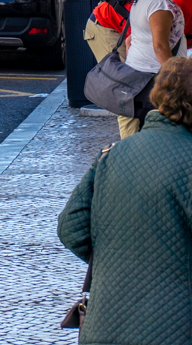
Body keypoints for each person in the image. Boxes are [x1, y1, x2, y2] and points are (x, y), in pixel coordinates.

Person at [59, 56, 192, 345]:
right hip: (175, 327)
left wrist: (117, 261)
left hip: (104, 326)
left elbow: (70, 228)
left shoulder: (110, 154)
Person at [116, 0, 186, 137]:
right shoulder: (159, 4)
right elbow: (160, 47)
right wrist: (176, 79)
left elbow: (131, 40)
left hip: (137, 75)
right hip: (154, 78)